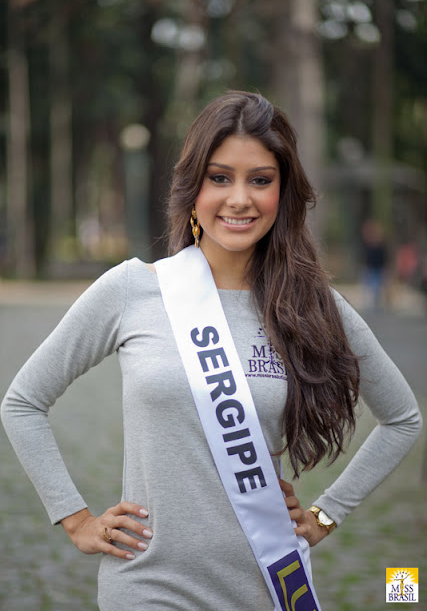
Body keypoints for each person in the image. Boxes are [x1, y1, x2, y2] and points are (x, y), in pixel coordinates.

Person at [1, 91, 422, 611]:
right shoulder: (134, 289)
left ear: (283, 191)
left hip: (265, 584)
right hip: (149, 586)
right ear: (192, 188)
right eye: (220, 178)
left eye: (260, 180)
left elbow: (402, 419)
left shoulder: (313, 306)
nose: (239, 199)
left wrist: (325, 515)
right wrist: (76, 519)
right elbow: (22, 402)